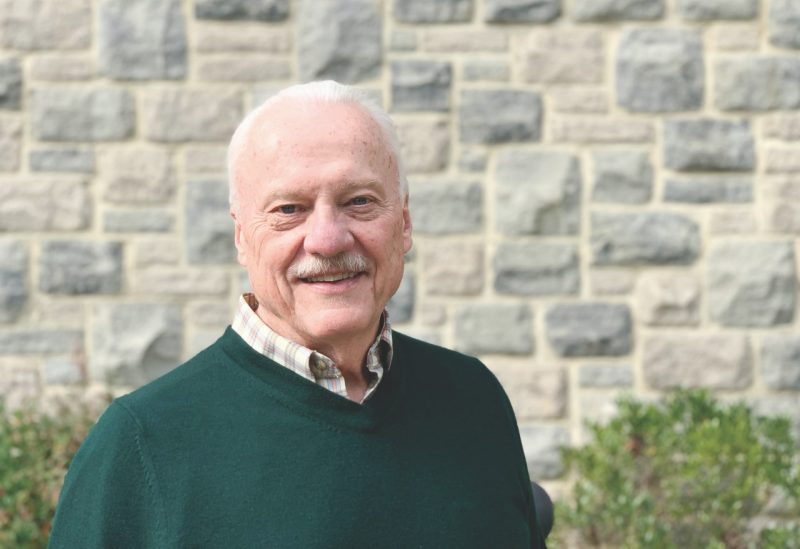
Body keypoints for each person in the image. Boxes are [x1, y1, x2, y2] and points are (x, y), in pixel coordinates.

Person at [49, 81, 547, 548]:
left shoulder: (472, 399)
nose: (328, 239)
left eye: (359, 201)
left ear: (405, 221)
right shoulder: (141, 445)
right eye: (289, 209)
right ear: (242, 235)